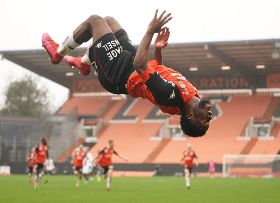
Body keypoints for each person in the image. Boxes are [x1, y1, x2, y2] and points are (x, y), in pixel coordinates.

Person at [42, 9, 212, 138]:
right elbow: (157, 72)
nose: (209, 117)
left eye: (204, 121)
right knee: (108, 21)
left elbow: (140, 65)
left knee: (95, 21)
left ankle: (58, 53)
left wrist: (150, 31)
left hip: (120, 74)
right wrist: (158, 49)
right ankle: (83, 63)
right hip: (131, 64)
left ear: (190, 115)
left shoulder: (171, 96)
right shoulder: (192, 95)